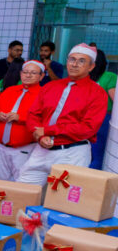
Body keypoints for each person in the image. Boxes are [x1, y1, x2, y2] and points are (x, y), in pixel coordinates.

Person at [18, 44, 108, 185]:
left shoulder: (97, 93)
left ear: (91, 66)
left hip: (72, 153)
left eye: (81, 61)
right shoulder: (51, 86)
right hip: (42, 148)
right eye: (72, 59)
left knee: (63, 201)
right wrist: (41, 135)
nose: (75, 64)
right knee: (22, 190)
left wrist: (47, 130)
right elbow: (33, 114)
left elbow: (87, 128)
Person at [0, 60, 43, 181]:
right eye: (25, 72)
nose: (28, 75)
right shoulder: (9, 91)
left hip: (24, 149)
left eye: (33, 73)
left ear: (41, 76)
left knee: (19, 185)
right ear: (21, 73)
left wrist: (21, 118)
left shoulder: (44, 95)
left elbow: (45, 121)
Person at [92, 51, 116, 169]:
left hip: (86, 118)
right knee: (99, 153)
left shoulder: (85, 77)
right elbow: (115, 99)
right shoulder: (110, 76)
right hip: (103, 119)